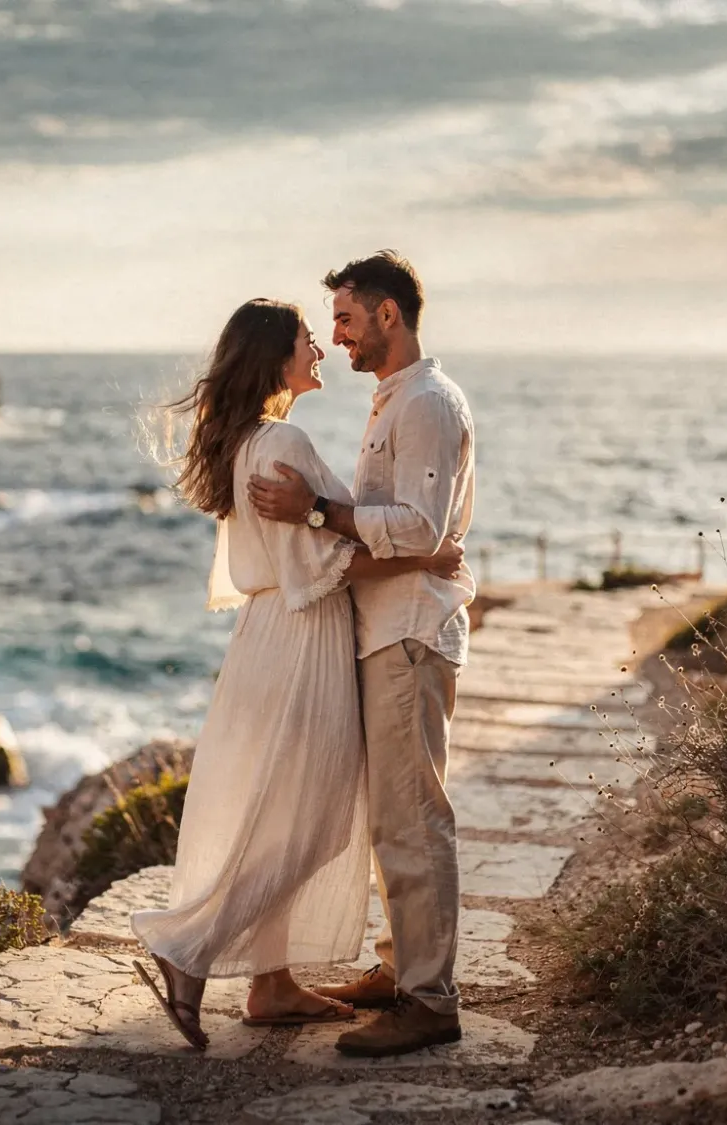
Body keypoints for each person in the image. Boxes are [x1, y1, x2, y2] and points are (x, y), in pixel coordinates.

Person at [131, 297, 465, 1051]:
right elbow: (335, 558)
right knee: (313, 820)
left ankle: (273, 983)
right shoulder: (283, 439)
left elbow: (308, 541)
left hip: (266, 635)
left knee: (289, 806)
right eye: (308, 339)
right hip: (305, 634)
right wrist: (427, 554)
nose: (320, 346)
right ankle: (188, 947)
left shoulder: (246, 440)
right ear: (277, 359)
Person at [247, 251, 476, 1058]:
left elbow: (417, 526)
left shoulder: (427, 403)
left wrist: (315, 510)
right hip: (387, 626)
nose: (336, 336)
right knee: (392, 819)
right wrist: (325, 519)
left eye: (345, 318)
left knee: (413, 817)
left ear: (389, 314)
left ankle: (430, 999)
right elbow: (399, 527)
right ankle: (402, 967)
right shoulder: (395, 400)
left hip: (410, 631)